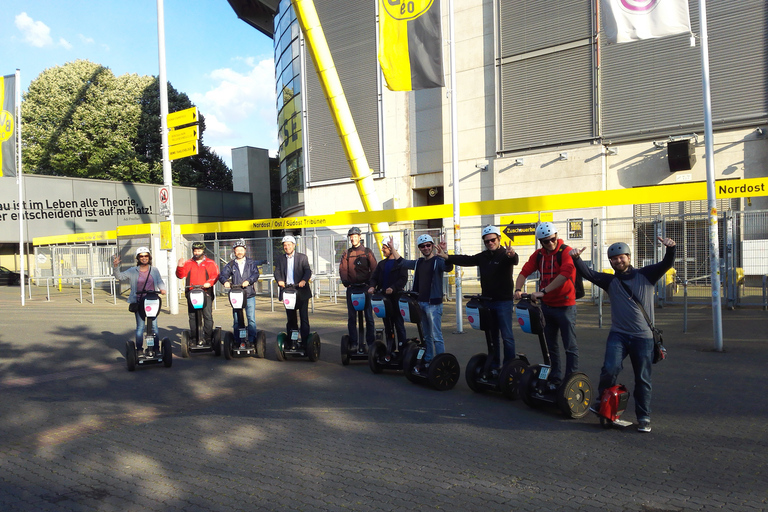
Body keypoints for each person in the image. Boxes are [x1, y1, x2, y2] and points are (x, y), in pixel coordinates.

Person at [570, 237, 676, 433]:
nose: (618, 261)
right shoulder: (610, 281)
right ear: (610, 262)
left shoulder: (647, 275)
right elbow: (589, 274)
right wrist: (577, 259)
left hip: (643, 338)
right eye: (614, 259)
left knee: (642, 378)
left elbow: (666, 264)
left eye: (621, 257)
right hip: (618, 335)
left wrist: (671, 249)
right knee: (609, 369)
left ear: (628, 257)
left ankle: (644, 416)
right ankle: (603, 401)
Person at [437, 225, 519, 368]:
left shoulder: (505, 255)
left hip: (503, 302)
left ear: (499, 239)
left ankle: (509, 368)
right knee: (493, 337)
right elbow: (466, 259)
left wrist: (512, 254)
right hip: (487, 302)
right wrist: (447, 256)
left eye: (493, 240)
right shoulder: (483, 256)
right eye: (487, 241)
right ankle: (494, 365)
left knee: (507, 337)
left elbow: (514, 260)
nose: (490, 243)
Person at [514, 222, 579, 386]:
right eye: (545, 241)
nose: (550, 243)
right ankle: (556, 377)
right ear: (540, 242)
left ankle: (570, 380)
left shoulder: (566, 252)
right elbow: (524, 271)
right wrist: (517, 289)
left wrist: (543, 291)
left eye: (552, 239)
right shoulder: (539, 255)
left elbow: (565, 274)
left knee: (569, 345)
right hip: (548, 307)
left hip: (565, 306)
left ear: (556, 236)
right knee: (551, 345)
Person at [391, 234, 453, 373]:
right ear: (419, 248)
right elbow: (402, 262)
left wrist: (445, 253)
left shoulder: (438, 261)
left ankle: (441, 361)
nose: (425, 248)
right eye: (422, 246)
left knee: (436, 335)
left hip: (434, 304)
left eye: (428, 245)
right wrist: (392, 248)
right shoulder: (418, 263)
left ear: (432, 246)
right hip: (421, 303)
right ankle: (429, 358)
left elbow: (448, 267)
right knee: (426, 335)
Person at [113, 247, 167, 352]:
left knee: (154, 327)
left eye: (146, 256)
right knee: (140, 327)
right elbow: (120, 276)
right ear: (138, 258)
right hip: (139, 301)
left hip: (152, 302)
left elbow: (160, 281)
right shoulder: (133, 270)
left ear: (149, 257)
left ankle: (155, 349)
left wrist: (162, 289)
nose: (144, 258)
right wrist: (116, 266)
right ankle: (139, 350)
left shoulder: (154, 270)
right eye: (141, 256)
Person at [367, 236, 408, 357]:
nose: (383, 249)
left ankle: (402, 349)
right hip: (384, 299)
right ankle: (390, 348)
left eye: (384, 247)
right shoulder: (381, 264)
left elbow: (403, 279)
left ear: (392, 247)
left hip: (396, 298)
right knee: (387, 324)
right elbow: (374, 278)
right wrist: (372, 286)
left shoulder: (401, 263)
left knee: (398, 324)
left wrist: (393, 288)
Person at [339, 226, 378, 350]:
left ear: (359, 237)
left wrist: (371, 284)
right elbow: (343, 268)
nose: (353, 239)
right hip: (352, 288)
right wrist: (346, 282)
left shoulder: (367, 252)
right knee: (352, 317)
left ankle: (370, 342)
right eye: (351, 237)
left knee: (369, 317)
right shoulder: (347, 253)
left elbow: (374, 269)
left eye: (355, 236)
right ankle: (354, 343)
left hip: (365, 288)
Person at [218, 238, 260, 346]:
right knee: (236, 320)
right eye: (237, 250)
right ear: (234, 251)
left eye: (241, 249)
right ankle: (237, 340)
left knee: (251, 319)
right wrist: (225, 282)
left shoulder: (251, 263)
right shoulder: (231, 264)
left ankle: (251, 340)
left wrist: (248, 281)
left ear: (245, 251)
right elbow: (222, 275)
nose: (239, 252)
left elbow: (256, 274)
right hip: (236, 295)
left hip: (249, 294)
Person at [176, 241, 219, 345]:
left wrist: (209, 283)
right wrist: (180, 267)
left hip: (206, 292)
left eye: (199, 250)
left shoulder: (210, 263)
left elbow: (215, 275)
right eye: (195, 250)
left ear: (203, 251)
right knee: (192, 316)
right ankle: (194, 338)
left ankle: (208, 338)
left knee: (207, 315)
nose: (197, 252)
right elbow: (180, 275)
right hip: (192, 293)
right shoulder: (188, 263)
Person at [274, 235, 313, 347]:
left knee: (303, 317)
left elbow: (307, 270)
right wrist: (280, 280)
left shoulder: (302, 257)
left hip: (301, 291)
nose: (287, 247)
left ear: (294, 245)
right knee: (291, 318)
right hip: (288, 291)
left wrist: (304, 280)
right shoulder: (280, 259)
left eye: (289, 245)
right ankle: (292, 341)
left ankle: (305, 342)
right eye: (285, 245)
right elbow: (277, 271)